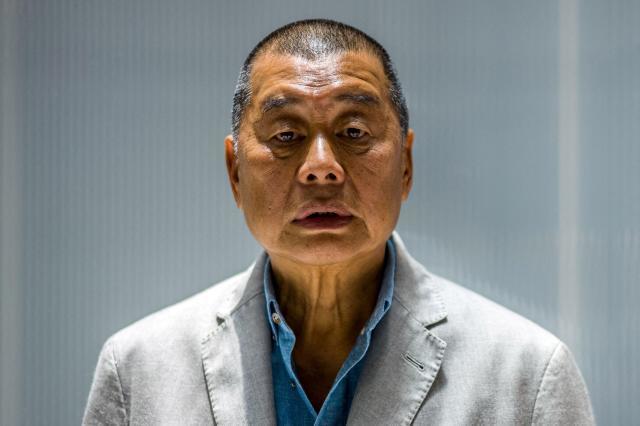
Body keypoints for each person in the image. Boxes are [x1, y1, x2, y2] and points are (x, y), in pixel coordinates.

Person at [83, 19, 595, 425]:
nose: (321, 166)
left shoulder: (527, 375)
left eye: (353, 131)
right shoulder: (138, 370)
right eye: (286, 136)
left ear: (406, 165)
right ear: (235, 172)